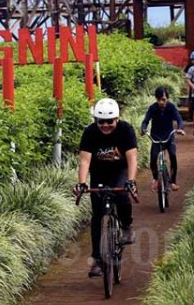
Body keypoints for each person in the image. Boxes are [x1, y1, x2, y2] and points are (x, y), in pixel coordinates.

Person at [73, 98, 139, 278]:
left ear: (117, 119)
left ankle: (125, 226)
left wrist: (131, 181)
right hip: (99, 173)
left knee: (122, 195)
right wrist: (81, 182)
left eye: (110, 122)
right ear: (96, 121)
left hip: (120, 171)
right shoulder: (90, 133)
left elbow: (132, 158)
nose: (105, 126)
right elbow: (85, 160)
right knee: (97, 216)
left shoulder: (126, 130)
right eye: (101, 122)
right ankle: (97, 259)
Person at [140, 87, 185, 192]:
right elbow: (145, 121)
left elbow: (179, 119)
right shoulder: (153, 108)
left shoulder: (171, 108)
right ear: (156, 99)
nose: (161, 102)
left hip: (168, 137)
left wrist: (180, 128)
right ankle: (155, 178)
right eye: (159, 99)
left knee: (173, 155)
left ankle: (173, 181)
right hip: (156, 137)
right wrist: (143, 129)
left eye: (163, 99)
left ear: (167, 99)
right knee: (153, 158)